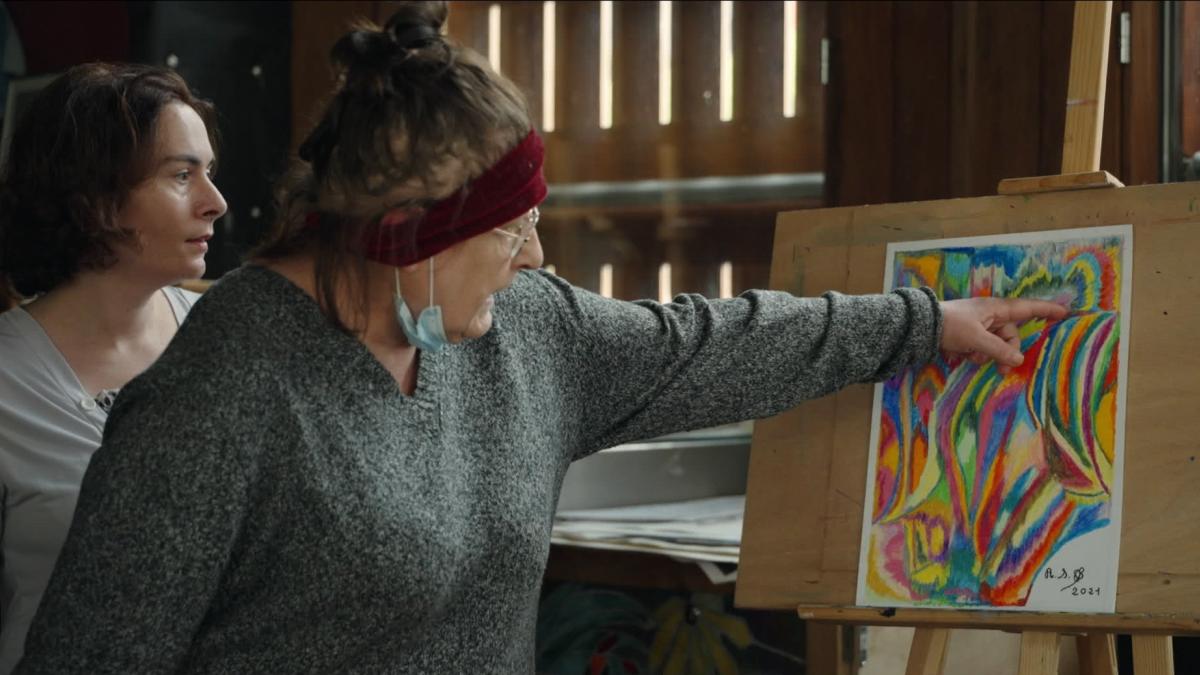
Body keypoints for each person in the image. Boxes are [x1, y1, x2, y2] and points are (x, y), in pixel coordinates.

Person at [16, 3, 1065, 673]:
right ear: (409, 235)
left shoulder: (526, 333)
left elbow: (710, 339)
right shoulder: (220, 397)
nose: (531, 256)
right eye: (508, 230)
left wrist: (925, 323)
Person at [0, 63, 226, 673]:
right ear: (95, 202)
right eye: (182, 175)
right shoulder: (6, 381)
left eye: (211, 173)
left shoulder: (227, 338)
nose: (216, 203)